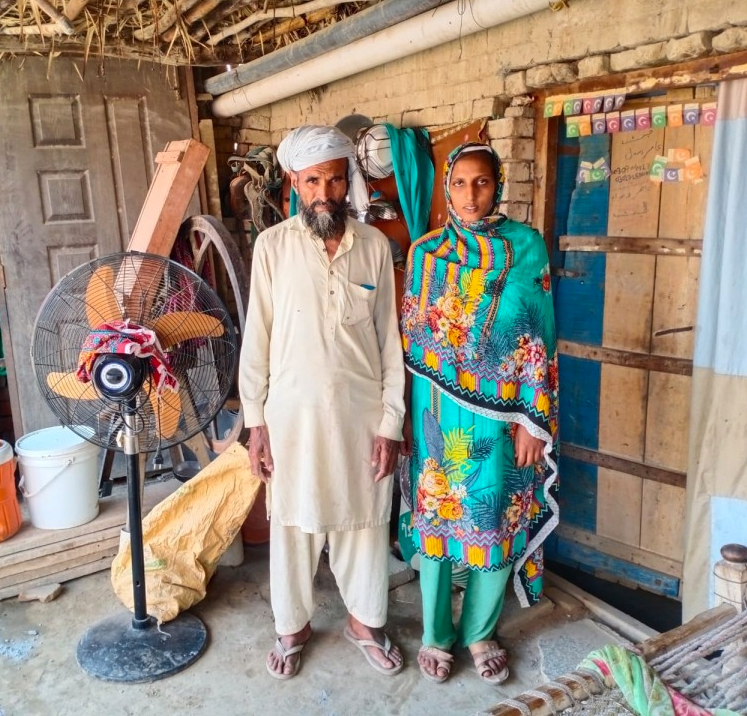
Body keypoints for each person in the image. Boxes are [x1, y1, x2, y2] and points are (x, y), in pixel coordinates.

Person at [239, 125, 406, 680]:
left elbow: (390, 343)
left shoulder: (375, 247)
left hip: (361, 416)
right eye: (314, 180)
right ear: (294, 181)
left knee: (364, 524)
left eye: (336, 180)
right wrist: (255, 423)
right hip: (292, 418)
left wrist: (391, 424)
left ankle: (365, 621)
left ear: (347, 180)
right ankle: (293, 626)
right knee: (293, 523)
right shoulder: (273, 247)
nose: (326, 193)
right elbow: (256, 339)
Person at [400, 142, 559, 684]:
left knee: (494, 516)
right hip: (438, 411)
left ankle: (480, 631)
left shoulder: (526, 248)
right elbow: (416, 342)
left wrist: (530, 421)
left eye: (483, 182)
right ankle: (435, 633)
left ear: (498, 186)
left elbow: (538, 334)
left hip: (503, 416)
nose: (472, 195)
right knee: (440, 514)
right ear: (448, 186)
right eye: (462, 183)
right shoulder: (426, 254)